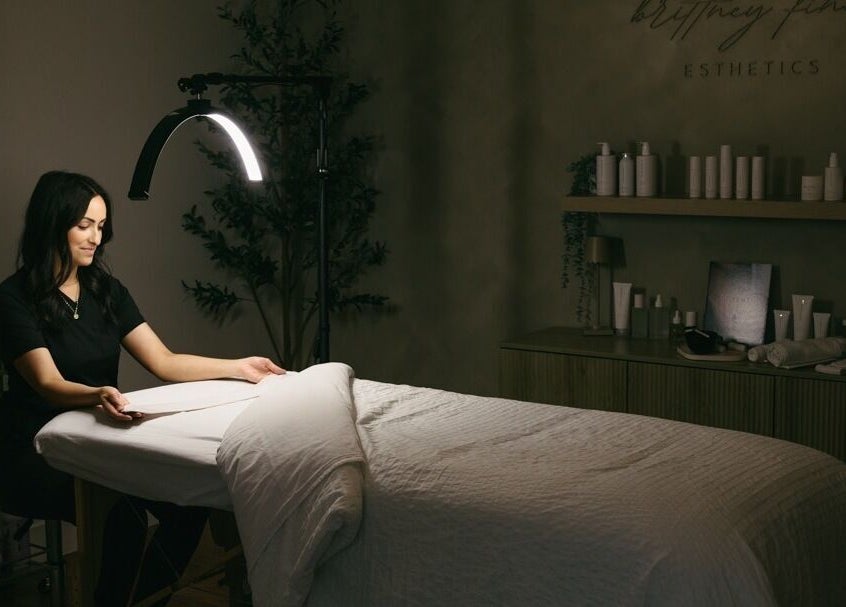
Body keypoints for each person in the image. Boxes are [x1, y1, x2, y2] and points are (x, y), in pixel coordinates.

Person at [0, 170, 285, 606]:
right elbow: (48, 382)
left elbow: (164, 362)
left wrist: (238, 367)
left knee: (190, 504)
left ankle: (141, 599)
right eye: (84, 226)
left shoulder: (106, 291)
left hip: (99, 434)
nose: (96, 237)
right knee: (126, 516)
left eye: (100, 227)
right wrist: (97, 394)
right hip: (33, 448)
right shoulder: (14, 298)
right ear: (52, 223)